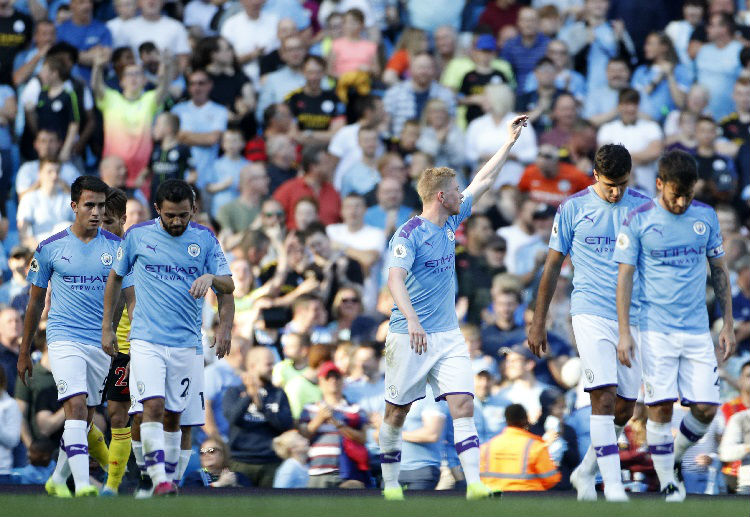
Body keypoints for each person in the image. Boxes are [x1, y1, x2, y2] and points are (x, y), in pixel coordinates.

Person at [377, 113, 527, 501]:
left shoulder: (451, 221)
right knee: (397, 412)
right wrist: (411, 320)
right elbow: (394, 279)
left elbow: (485, 180)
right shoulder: (408, 233)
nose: (463, 193)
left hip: (446, 334)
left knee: (462, 403)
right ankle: (391, 483)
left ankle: (474, 483)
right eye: (456, 189)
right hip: (409, 335)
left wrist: (508, 143)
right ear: (441, 196)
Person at [613, 150, 736, 502]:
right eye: (674, 194)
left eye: (688, 194)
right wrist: (625, 331)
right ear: (659, 184)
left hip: (697, 328)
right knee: (661, 407)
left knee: (706, 408)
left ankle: (668, 460)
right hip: (654, 329)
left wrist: (726, 324)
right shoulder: (638, 219)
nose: (682, 202)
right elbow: (624, 278)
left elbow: (719, 271)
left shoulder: (706, 216)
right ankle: (669, 480)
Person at [528, 144, 649, 501]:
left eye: (622, 184)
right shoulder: (573, 208)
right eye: (610, 184)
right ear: (595, 175)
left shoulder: (643, 207)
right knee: (603, 397)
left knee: (626, 406)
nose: (616, 192)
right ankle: (612, 487)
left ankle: (585, 470)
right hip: (590, 310)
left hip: (634, 315)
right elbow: (551, 267)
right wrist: (538, 321)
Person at [102, 179, 234, 496]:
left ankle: (166, 480)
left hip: (187, 343)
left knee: (176, 415)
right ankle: (159, 478)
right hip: (146, 340)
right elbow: (115, 279)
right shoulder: (137, 236)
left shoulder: (204, 239)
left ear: (194, 210)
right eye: (171, 215)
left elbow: (228, 286)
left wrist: (221, 316)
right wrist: (107, 326)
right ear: (158, 209)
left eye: (183, 215)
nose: (177, 221)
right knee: (153, 407)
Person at [17, 175, 118, 497]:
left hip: (101, 342)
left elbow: (128, 298)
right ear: (74, 206)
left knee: (86, 415)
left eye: (101, 206)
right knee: (75, 406)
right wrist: (24, 351)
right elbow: (34, 302)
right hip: (64, 337)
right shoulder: (49, 248)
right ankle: (84, 486)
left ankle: (58, 479)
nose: (96, 212)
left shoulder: (118, 248)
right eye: (89, 205)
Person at [98, 187, 135, 495]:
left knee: (127, 413)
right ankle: (111, 475)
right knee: (97, 413)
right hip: (100, 346)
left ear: (123, 220)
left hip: (129, 348)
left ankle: (127, 478)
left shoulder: (134, 254)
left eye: (109, 222)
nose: (103, 229)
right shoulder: (93, 252)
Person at [91, 47, 172, 185]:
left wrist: (167, 67)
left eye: (138, 74)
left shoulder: (149, 99)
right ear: (121, 81)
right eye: (129, 74)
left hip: (142, 171)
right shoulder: (111, 98)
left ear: (144, 81)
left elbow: (163, 89)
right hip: (113, 170)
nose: (133, 78)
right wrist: (97, 66)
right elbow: (96, 86)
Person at [223, 347, 293, 488]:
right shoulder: (234, 391)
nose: (272, 368)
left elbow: (286, 425)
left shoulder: (278, 394)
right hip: (240, 461)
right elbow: (232, 419)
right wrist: (250, 395)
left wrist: (261, 406)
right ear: (253, 366)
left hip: (271, 462)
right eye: (268, 364)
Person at [479, 403, 561, 491]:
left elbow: (478, 476)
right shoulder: (536, 447)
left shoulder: (487, 447)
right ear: (525, 419)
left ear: (506, 420)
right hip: (527, 498)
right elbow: (552, 479)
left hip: (494, 499)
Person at [182, 435, 250, 488]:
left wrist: (234, 485)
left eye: (211, 451)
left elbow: (251, 498)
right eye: (202, 452)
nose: (206, 455)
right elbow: (193, 499)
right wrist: (219, 484)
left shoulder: (238, 476)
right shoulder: (194, 477)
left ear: (223, 454)